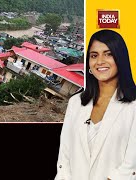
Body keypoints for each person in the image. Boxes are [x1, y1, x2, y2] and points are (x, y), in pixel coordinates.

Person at [55, 29, 136, 180]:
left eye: (108, 54)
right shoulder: (76, 103)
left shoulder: (133, 106)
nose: (100, 61)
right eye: (94, 55)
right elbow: (64, 159)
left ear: (121, 59)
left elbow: (130, 166)